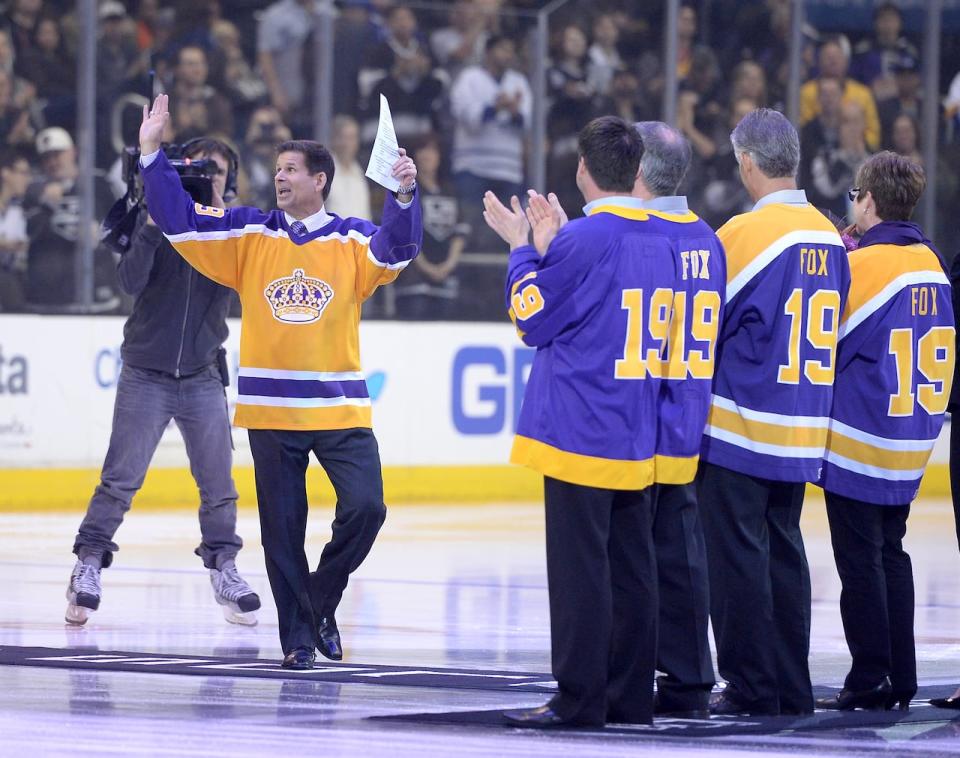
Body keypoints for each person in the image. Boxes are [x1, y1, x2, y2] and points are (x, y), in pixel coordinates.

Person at [137, 94, 421, 670]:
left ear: (321, 180)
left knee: (367, 508)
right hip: (270, 413)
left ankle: (321, 596)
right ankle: (297, 639)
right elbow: (183, 222)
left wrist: (405, 196)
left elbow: (400, 248)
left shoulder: (352, 239)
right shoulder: (248, 233)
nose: (279, 178)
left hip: (340, 410)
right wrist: (151, 157)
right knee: (282, 533)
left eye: (291, 170)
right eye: (278, 169)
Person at [482, 115, 707, 728]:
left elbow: (533, 317)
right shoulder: (667, 239)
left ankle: (579, 699)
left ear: (583, 170)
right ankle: (630, 696)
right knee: (634, 572)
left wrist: (522, 249)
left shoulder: (586, 238)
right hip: (638, 430)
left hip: (581, 427)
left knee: (581, 575)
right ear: (636, 171)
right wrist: (551, 247)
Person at [65, 137, 258, 627]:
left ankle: (225, 566)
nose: (207, 178)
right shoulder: (154, 219)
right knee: (120, 480)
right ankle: (87, 565)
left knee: (218, 483)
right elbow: (128, 282)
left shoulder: (232, 230)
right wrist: (155, 222)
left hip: (201, 375)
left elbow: (243, 283)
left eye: (217, 172)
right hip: (146, 373)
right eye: (199, 170)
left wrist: (215, 218)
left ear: (230, 181)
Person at [699, 108, 849, 717]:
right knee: (784, 552)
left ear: (748, 163)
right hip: (802, 425)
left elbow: (705, 323)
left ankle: (751, 685)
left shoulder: (743, 234)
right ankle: (789, 684)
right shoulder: (829, 236)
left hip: (742, 426)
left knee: (736, 560)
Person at [816, 152, 953, 712]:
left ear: (867, 201)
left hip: (860, 436)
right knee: (892, 552)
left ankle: (870, 674)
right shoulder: (932, 262)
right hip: (910, 437)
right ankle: (902, 674)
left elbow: (824, 343)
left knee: (860, 562)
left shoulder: (866, 267)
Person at [632, 121, 724, 717]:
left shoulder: (640, 236)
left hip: (641, 412)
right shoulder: (707, 238)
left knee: (633, 555)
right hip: (690, 410)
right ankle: (691, 673)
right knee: (682, 550)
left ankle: (630, 672)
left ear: (634, 171)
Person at [23, 126, 118, 310]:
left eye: (57, 154)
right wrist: (44, 201)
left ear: (73, 152)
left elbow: (123, 225)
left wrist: (101, 233)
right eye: (46, 157)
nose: (52, 162)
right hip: (47, 299)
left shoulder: (99, 183)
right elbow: (28, 232)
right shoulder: (32, 192)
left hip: (96, 294)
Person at [394, 135, 467, 320]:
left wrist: (448, 265)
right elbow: (405, 231)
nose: (427, 156)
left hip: (445, 277)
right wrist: (425, 266)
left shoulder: (451, 190)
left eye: (432, 150)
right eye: (422, 150)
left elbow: (460, 232)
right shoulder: (406, 190)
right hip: (414, 279)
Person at [800, 36, 880, 151]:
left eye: (837, 57)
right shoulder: (805, 92)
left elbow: (873, 135)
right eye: (828, 57)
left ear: (846, 61)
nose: (833, 61)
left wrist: (856, 144)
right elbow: (802, 129)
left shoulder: (863, 94)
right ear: (819, 62)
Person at [0, 149, 30, 311]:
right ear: (5, 173)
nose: (27, 179)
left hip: (11, 279)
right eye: (22, 173)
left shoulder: (18, 211)